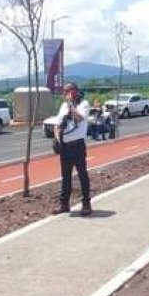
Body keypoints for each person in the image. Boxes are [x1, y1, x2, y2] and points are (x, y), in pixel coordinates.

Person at [53, 81, 92, 215]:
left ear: (75, 91)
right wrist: (57, 139)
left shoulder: (83, 104)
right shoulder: (63, 106)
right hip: (65, 146)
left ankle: (86, 204)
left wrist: (71, 104)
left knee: (82, 175)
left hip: (77, 145)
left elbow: (79, 118)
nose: (64, 93)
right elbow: (57, 124)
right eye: (64, 91)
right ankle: (64, 204)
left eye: (67, 91)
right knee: (65, 177)